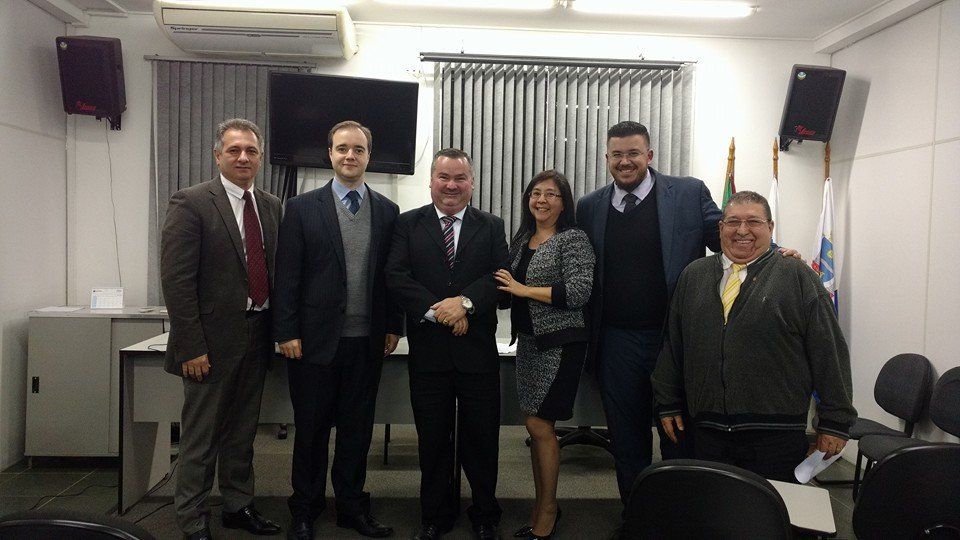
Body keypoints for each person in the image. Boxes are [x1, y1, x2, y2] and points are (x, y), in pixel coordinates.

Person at [652, 191, 856, 481]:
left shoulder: (797, 276)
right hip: (706, 432)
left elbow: (828, 351)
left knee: (769, 507)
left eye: (753, 222)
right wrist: (668, 402)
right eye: (733, 222)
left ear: (770, 228)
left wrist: (835, 421)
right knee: (711, 506)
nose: (742, 230)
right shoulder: (693, 276)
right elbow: (674, 345)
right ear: (720, 228)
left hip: (776, 436)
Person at [575, 120, 723, 509]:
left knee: (679, 438)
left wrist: (772, 251)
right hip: (616, 343)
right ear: (607, 158)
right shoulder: (589, 207)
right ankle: (636, 517)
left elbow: (729, 236)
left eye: (633, 153)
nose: (625, 162)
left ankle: (678, 521)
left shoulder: (688, 193)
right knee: (626, 440)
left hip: (674, 342)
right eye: (617, 155)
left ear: (650, 155)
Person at [272, 121, 402, 540]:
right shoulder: (301, 207)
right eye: (342, 148)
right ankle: (305, 510)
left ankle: (351, 507)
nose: (350, 155)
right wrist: (286, 331)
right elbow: (287, 274)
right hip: (313, 344)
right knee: (310, 433)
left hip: (366, 344)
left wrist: (393, 325)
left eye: (358, 149)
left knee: (356, 433)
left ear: (369, 156)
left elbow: (391, 277)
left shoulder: (388, 211)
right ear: (329, 153)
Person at [161, 118, 282, 539]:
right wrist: (191, 346)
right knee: (201, 438)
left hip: (257, 334)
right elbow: (177, 281)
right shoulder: (191, 202)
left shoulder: (271, 205)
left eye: (251, 151)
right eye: (234, 150)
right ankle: (192, 520)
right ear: (218, 155)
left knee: (242, 432)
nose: (243, 157)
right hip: (208, 345)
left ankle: (237, 505)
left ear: (260, 158)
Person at [385, 148, 509, 540]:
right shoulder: (408, 224)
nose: (451, 185)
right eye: (444, 177)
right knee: (433, 439)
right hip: (429, 356)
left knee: (482, 439)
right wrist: (442, 312)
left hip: (477, 355)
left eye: (460, 178)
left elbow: (500, 277)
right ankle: (434, 515)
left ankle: (485, 513)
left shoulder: (491, 225)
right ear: (431, 181)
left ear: (472, 182)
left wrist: (466, 304)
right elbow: (396, 276)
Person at [494, 170, 594, 540]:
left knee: (540, 426)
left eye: (551, 194)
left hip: (561, 344)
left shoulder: (574, 239)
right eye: (536, 193)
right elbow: (506, 288)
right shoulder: (523, 240)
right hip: (529, 343)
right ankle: (541, 505)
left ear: (564, 203)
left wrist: (523, 290)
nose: (542, 200)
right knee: (535, 427)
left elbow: (579, 292)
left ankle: (548, 510)